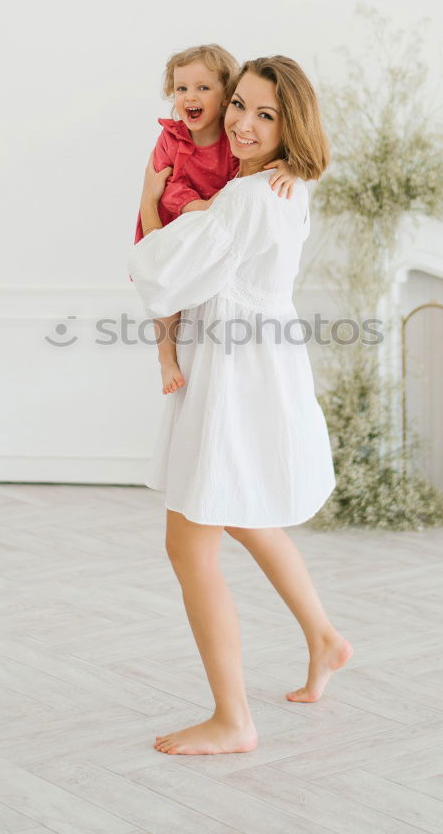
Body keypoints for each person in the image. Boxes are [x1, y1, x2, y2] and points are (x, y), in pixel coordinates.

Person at [128, 56, 353, 756]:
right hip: (260, 364)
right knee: (240, 511)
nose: (242, 123)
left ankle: (233, 719)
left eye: (264, 114)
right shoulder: (283, 188)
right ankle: (323, 637)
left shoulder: (247, 197)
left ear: (291, 126)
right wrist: (205, 210)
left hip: (232, 370)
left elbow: (157, 271)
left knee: (189, 541)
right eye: (240, 107)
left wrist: (156, 202)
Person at [132, 43, 297, 396]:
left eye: (203, 88)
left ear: (225, 97)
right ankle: (166, 357)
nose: (190, 96)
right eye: (181, 88)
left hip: (211, 222)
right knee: (164, 304)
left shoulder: (232, 137)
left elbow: (254, 166)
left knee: (176, 291)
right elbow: (166, 189)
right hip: (171, 219)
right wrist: (201, 206)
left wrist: (291, 166)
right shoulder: (172, 137)